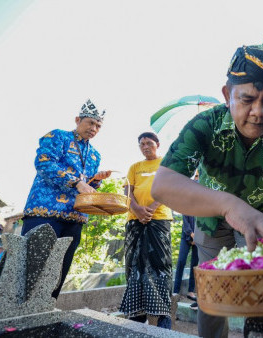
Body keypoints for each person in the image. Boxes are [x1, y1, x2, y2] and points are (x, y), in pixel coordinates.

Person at [151, 44, 263, 338]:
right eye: (247, 99)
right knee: (213, 294)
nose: (258, 112)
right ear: (226, 94)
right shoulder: (204, 124)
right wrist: (230, 206)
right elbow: (164, 185)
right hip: (208, 218)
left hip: (258, 219)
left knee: (262, 289)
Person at [22, 99, 111, 299]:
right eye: (90, 123)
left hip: (75, 216)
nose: (94, 128)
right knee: (31, 268)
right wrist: (76, 183)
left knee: (59, 270)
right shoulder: (57, 136)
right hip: (44, 211)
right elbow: (44, 164)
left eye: (98, 125)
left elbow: (86, 185)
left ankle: (46, 312)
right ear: (77, 119)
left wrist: (95, 181)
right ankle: (18, 317)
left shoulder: (95, 155)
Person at [119, 132, 173, 329]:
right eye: (141, 144)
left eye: (149, 143)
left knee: (161, 265)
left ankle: (163, 318)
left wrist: (151, 208)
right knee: (134, 265)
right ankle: (137, 316)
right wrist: (137, 210)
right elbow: (127, 191)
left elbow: (171, 189)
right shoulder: (135, 167)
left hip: (159, 220)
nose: (145, 147)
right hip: (134, 220)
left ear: (157, 144)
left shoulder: (166, 165)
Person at [172, 173, 199, 308]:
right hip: (187, 235)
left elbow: (202, 220)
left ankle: (191, 291)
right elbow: (185, 220)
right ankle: (175, 290)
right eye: (195, 177)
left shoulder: (203, 201)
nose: (197, 179)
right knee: (181, 261)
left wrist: (197, 236)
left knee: (195, 264)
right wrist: (191, 234)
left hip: (198, 238)